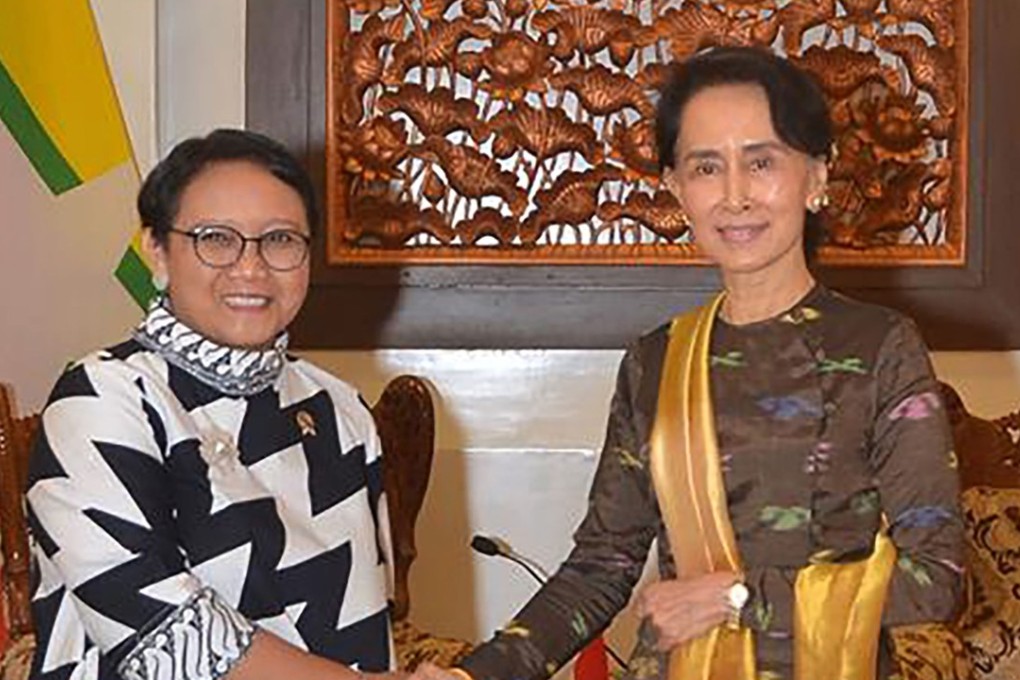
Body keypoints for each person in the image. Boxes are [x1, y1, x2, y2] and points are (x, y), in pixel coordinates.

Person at [421, 46, 964, 680]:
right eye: (707, 167)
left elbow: (936, 579)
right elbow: (602, 565)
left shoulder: (879, 346)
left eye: (761, 161)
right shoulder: (657, 361)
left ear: (817, 177)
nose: (734, 196)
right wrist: (477, 674)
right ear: (676, 187)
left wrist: (736, 599)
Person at [25, 130, 399, 680]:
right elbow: (166, 639)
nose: (250, 267)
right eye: (215, 239)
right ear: (157, 249)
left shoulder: (339, 409)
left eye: (280, 240)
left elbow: (368, 620)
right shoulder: (101, 398)